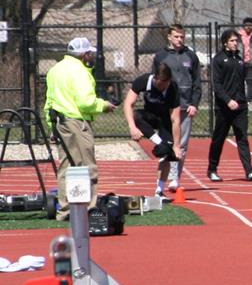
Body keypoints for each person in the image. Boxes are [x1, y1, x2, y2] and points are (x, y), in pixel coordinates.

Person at [44, 36, 109, 190]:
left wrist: (51, 126)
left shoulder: (54, 70)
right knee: (87, 167)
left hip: (59, 123)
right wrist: (103, 105)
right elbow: (85, 102)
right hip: (77, 123)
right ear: (84, 54)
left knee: (66, 166)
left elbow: (49, 101)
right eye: (89, 53)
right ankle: (89, 208)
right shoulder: (80, 71)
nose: (91, 56)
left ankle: (65, 209)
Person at [204, 28, 252, 182]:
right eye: (232, 41)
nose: (235, 43)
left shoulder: (239, 60)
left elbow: (241, 80)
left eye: (236, 41)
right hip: (224, 107)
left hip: (240, 105)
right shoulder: (218, 59)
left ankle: (249, 171)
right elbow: (216, 85)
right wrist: (227, 100)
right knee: (219, 138)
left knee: (242, 138)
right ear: (225, 43)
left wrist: (241, 101)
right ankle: (212, 169)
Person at [123, 62, 186, 197]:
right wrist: (132, 127)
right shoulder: (143, 81)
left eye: (166, 83)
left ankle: (159, 190)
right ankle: (159, 142)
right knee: (136, 116)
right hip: (149, 116)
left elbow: (175, 119)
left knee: (167, 154)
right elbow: (128, 104)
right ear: (155, 78)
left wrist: (176, 145)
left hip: (165, 120)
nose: (164, 86)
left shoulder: (173, 88)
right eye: (161, 83)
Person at [152, 23, 201, 190]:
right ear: (169, 37)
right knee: (167, 142)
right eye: (176, 36)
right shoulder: (160, 56)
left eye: (182, 37)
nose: (179, 40)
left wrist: (194, 103)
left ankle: (175, 178)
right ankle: (161, 180)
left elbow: (197, 82)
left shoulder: (191, 56)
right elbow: (155, 81)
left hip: (185, 106)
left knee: (182, 145)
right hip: (166, 107)